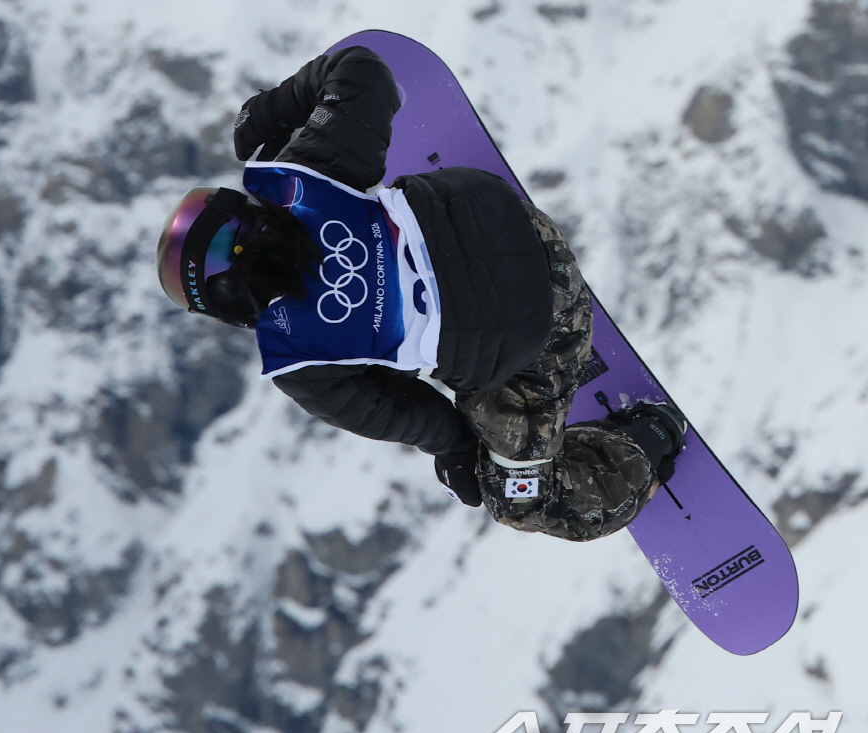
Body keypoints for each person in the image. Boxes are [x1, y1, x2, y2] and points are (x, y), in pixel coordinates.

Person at [156, 46, 687, 541]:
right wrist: (276, 109)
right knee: (398, 202)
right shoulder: (303, 179)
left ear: (223, 306)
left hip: (545, 338)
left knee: (521, 502)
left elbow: (414, 416)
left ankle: (652, 437)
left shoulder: (300, 360)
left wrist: (459, 457)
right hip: (527, 228)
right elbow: (363, 72)